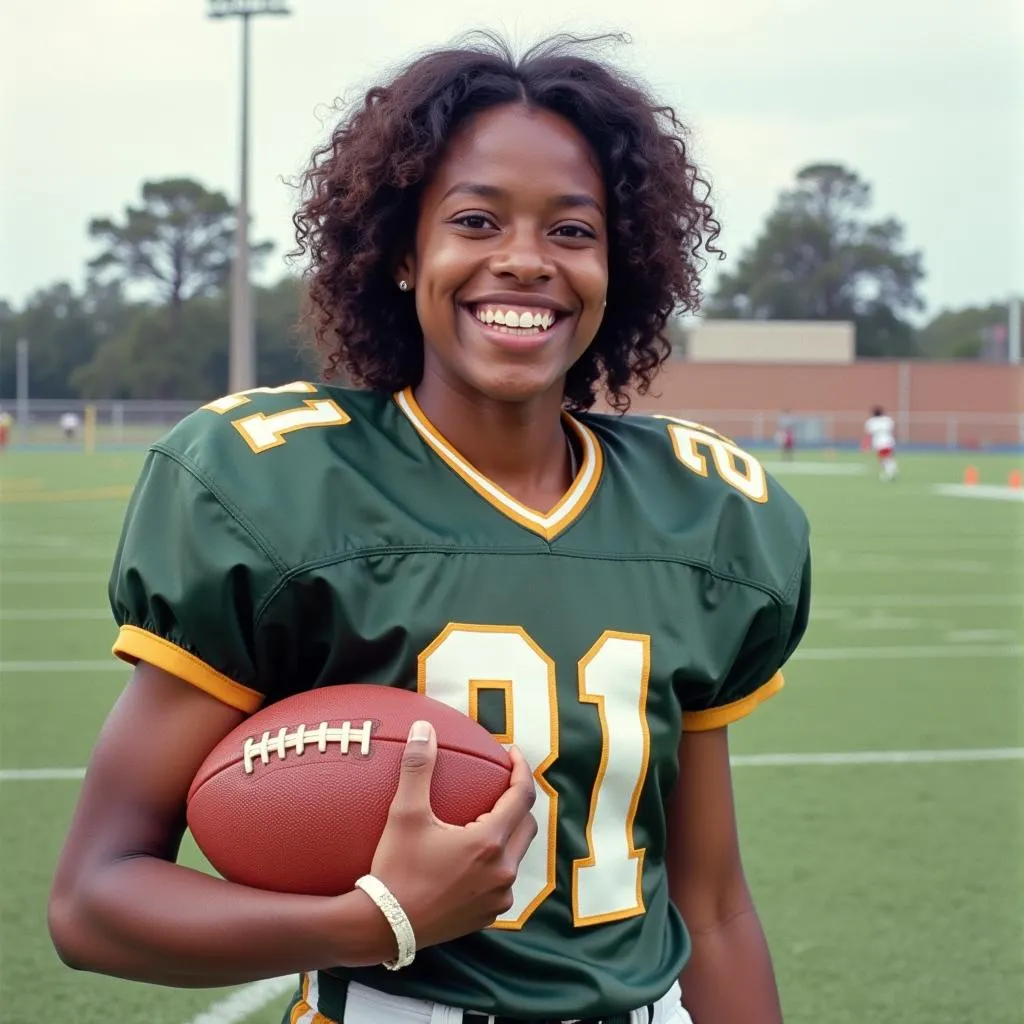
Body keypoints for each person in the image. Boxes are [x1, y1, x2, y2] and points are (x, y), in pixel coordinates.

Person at [48, 32, 811, 1024]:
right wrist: (373, 922)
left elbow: (708, 907)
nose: (526, 260)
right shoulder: (280, 486)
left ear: (623, 263)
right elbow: (95, 899)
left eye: (573, 231)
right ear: (404, 254)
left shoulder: (701, 508)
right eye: (477, 220)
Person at [864, 405, 899, 480]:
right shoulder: (887, 419)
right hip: (888, 441)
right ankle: (890, 471)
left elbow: (869, 432)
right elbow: (891, 428)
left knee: (884, 459)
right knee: (886, 458)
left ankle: (891, 472)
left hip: (879, 443)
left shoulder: (871, 422)